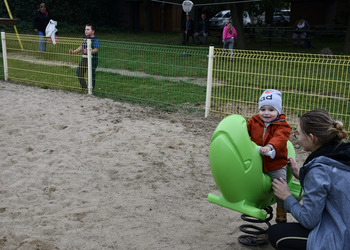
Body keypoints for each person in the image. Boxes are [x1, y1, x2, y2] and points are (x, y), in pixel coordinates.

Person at [268, 109, 350, 250]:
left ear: (312, 137)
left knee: (276, 234)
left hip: (342, 239)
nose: (297, 138)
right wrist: (302, 176)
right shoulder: (341, 154)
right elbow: (334, 183)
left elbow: (309, 220)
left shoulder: (319, 170)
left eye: (298, 134)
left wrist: (286, 196)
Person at [247, 89, 291, 223]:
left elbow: (279, 138)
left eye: (271, 110)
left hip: (275, 162)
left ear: (278, 111)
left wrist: (270, 147)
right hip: (257, 159)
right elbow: (244, 131)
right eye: (263, 109)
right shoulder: (254, 121)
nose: (266, 113)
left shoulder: (283, 126)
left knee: (280, 184)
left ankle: (281, 210)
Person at [69, 24, 99, 90]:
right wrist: (73, 52)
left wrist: (89, 52)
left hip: (92, 60)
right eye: (85, 29)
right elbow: (81, 47)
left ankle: (91, 90)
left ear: (93, 31)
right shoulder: (85, 38)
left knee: (91, 75)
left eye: (88, 29)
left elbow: (96, 49)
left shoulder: (95, 40)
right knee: (79, 72)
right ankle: (84, 88)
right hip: (84, 60)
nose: (86, 31)